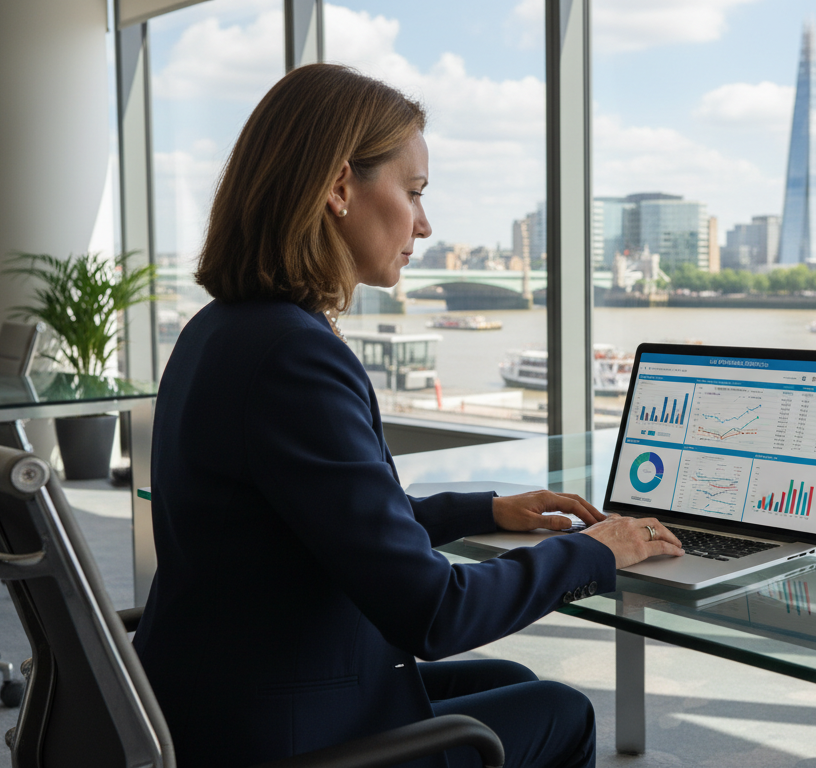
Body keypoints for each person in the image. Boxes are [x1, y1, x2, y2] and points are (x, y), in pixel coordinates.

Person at [131, 63, 684, 768]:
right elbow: (433, 613)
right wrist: (594, 553)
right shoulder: (296, 359)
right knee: (562, 712)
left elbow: (321, 523)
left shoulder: (222, 329)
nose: (424, 224)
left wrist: (481, 509)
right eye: (414, 192)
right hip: (278, 734)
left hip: (217, 694)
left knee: (510, 685)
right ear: (338, 187)